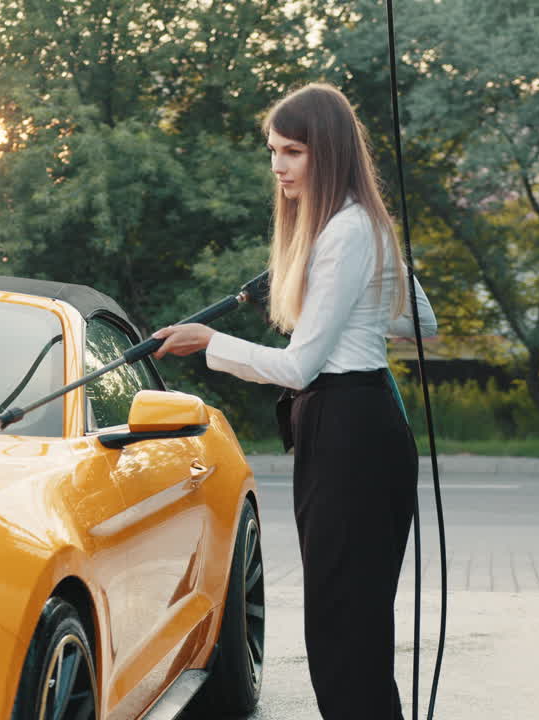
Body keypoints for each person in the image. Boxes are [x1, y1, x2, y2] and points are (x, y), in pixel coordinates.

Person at [150, 83, 438, 720]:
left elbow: (300, 365)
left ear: (327, 152)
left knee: (342, 629)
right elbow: (420, 320)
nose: (278, 166)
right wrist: (361, 306)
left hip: (348, 427)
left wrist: (210, 342)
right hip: (355, 423)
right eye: (273, 151)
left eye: (293, 152)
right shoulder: (358, 225)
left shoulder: (346, 232)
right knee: (352, 624)